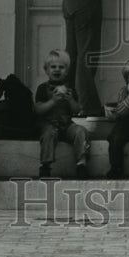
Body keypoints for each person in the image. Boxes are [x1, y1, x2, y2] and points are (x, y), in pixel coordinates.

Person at [33, 49, 90, 178]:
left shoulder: (70, 89)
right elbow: (38, 109)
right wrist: (53, 101)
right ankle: (46, 166)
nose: (57, 70)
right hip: (49, 124)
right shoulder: (42, 88)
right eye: (53, 67)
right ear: (47, 70)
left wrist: (70, 100)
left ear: (67, 72)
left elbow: (77, 110)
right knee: (48, 134)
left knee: (80, 131)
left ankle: (81, 164)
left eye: (61, 67)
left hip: (67, 125)